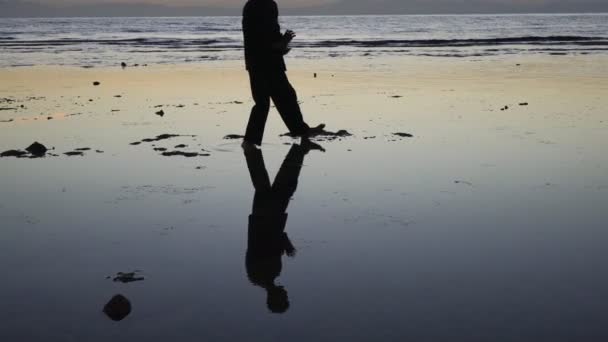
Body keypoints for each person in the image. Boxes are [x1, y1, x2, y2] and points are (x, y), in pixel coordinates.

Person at [244, 140, 324, 313]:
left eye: (284, 297)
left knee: (285, 185)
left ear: (274, 298)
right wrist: (285, 245)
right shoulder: (259, 276)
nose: (286, 294)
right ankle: (251, 150)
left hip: (269, 217)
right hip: (261, 217)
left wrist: (287, 246)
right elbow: (266, 243)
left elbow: (268, 241)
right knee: (263, 182)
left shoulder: (265, 273)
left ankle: (300, 149)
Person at [242, 0, 324, 149]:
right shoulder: (257, 5)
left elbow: (269, 36)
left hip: (266, 61)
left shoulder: (265, 5)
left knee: (284, 96)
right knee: (266, 102)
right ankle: (250, 141)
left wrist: (282, 43)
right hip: (261, 62)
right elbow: (259, 39)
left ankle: (300, 131)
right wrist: (281, 43)